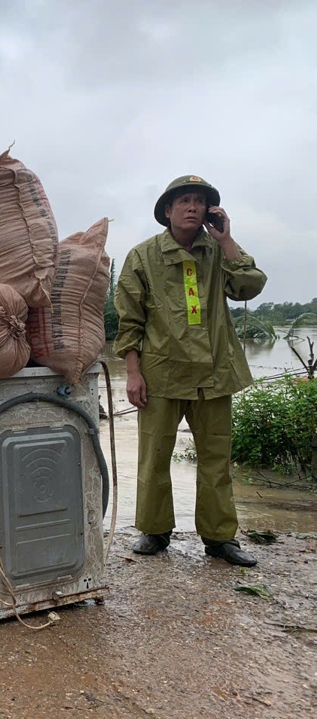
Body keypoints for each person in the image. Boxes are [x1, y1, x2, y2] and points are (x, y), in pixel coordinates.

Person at [114, 175, 267, 567]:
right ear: (168, 210)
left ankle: (219, 539)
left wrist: (227, 240)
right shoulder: (143, 256)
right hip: (162, 375)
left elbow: (249, 286)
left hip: (215, 375)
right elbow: (129, 320)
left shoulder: (218, 252)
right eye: (184, 201)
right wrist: (133, 372)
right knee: (155, 457)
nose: (193, 207)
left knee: (216, 460)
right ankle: (154, 530)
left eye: (200, 201)